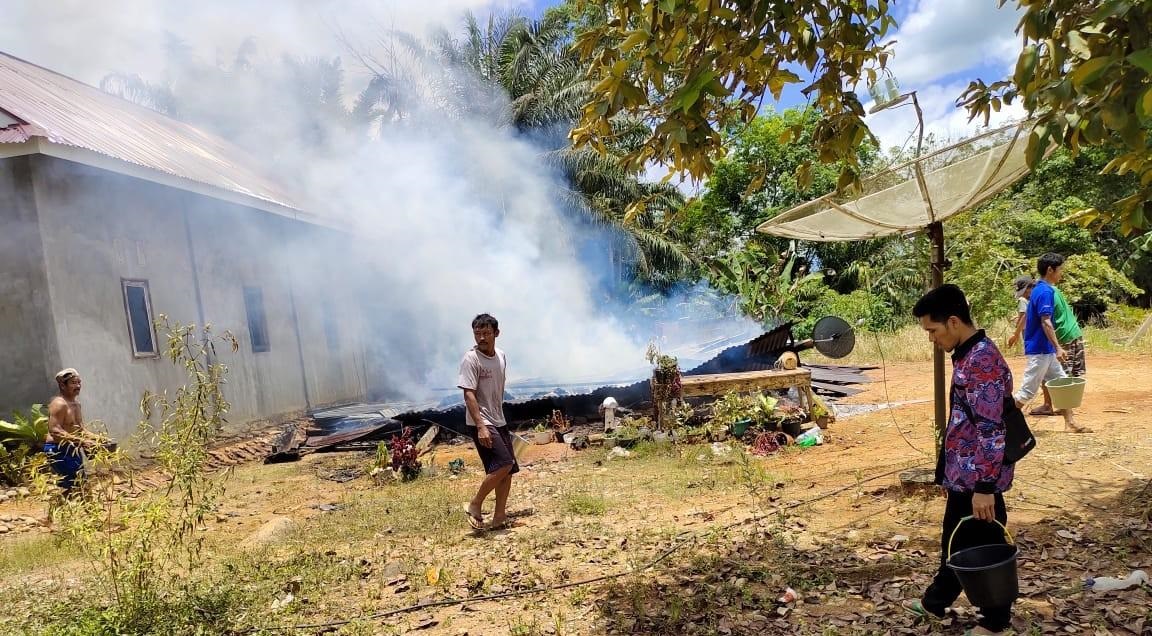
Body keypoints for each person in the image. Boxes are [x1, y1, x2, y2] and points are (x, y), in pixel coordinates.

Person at [904, 284, 1014, 636]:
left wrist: (985, 486)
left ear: (953, 322)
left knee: (985, 546)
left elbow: (992, 429)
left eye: (932, 331)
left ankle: (996, 623)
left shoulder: (980, 360)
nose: (931, 339)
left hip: (978, 479)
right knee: (955, 539)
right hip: (964, 475)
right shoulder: (968, 354)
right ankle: (935, 601)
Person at [1014, 253, 1088, 431]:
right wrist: (1058, 347)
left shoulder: (1040, 289)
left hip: (1045, 350)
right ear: (1050, 270)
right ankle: (998, 422)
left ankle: (1070, 422)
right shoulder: (1045, 291)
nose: (1061, 273)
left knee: (1062, 383)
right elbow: (1045, 321)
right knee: (1027, 391)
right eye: (1060, 269)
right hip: (1041, 350)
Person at [458, 314, 517, 531]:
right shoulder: (471, 359)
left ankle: (499, 516)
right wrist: (481, 426)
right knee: (504, 464)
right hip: (481, 422)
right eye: (477, 333)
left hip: (498, 418)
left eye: (486, 333)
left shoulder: (500, 356)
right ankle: (475, 504)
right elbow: (469, 395)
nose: (481, 338)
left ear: (496, 333)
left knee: (507, 470)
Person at [44, 368, 101, 494]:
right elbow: (55, 430)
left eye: (79, 382)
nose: (78, 386)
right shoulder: (59, 404)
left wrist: (98, 438)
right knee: (75, 484)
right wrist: (82, 441)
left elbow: (80, 429)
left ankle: (70, 508)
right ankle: (69, 508)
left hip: (72, 447)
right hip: (57, 448)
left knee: (80, 481)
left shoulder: (76, 404)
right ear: (62, 385)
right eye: (73, 383)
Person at [1005, 275, 1034, 350]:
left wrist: (1017, 327)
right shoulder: (1031, 300)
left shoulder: (1022, 300)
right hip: (1033, 327)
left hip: (1026, 328)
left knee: (1029, 347)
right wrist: (1017, 317)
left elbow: (1023, 315)